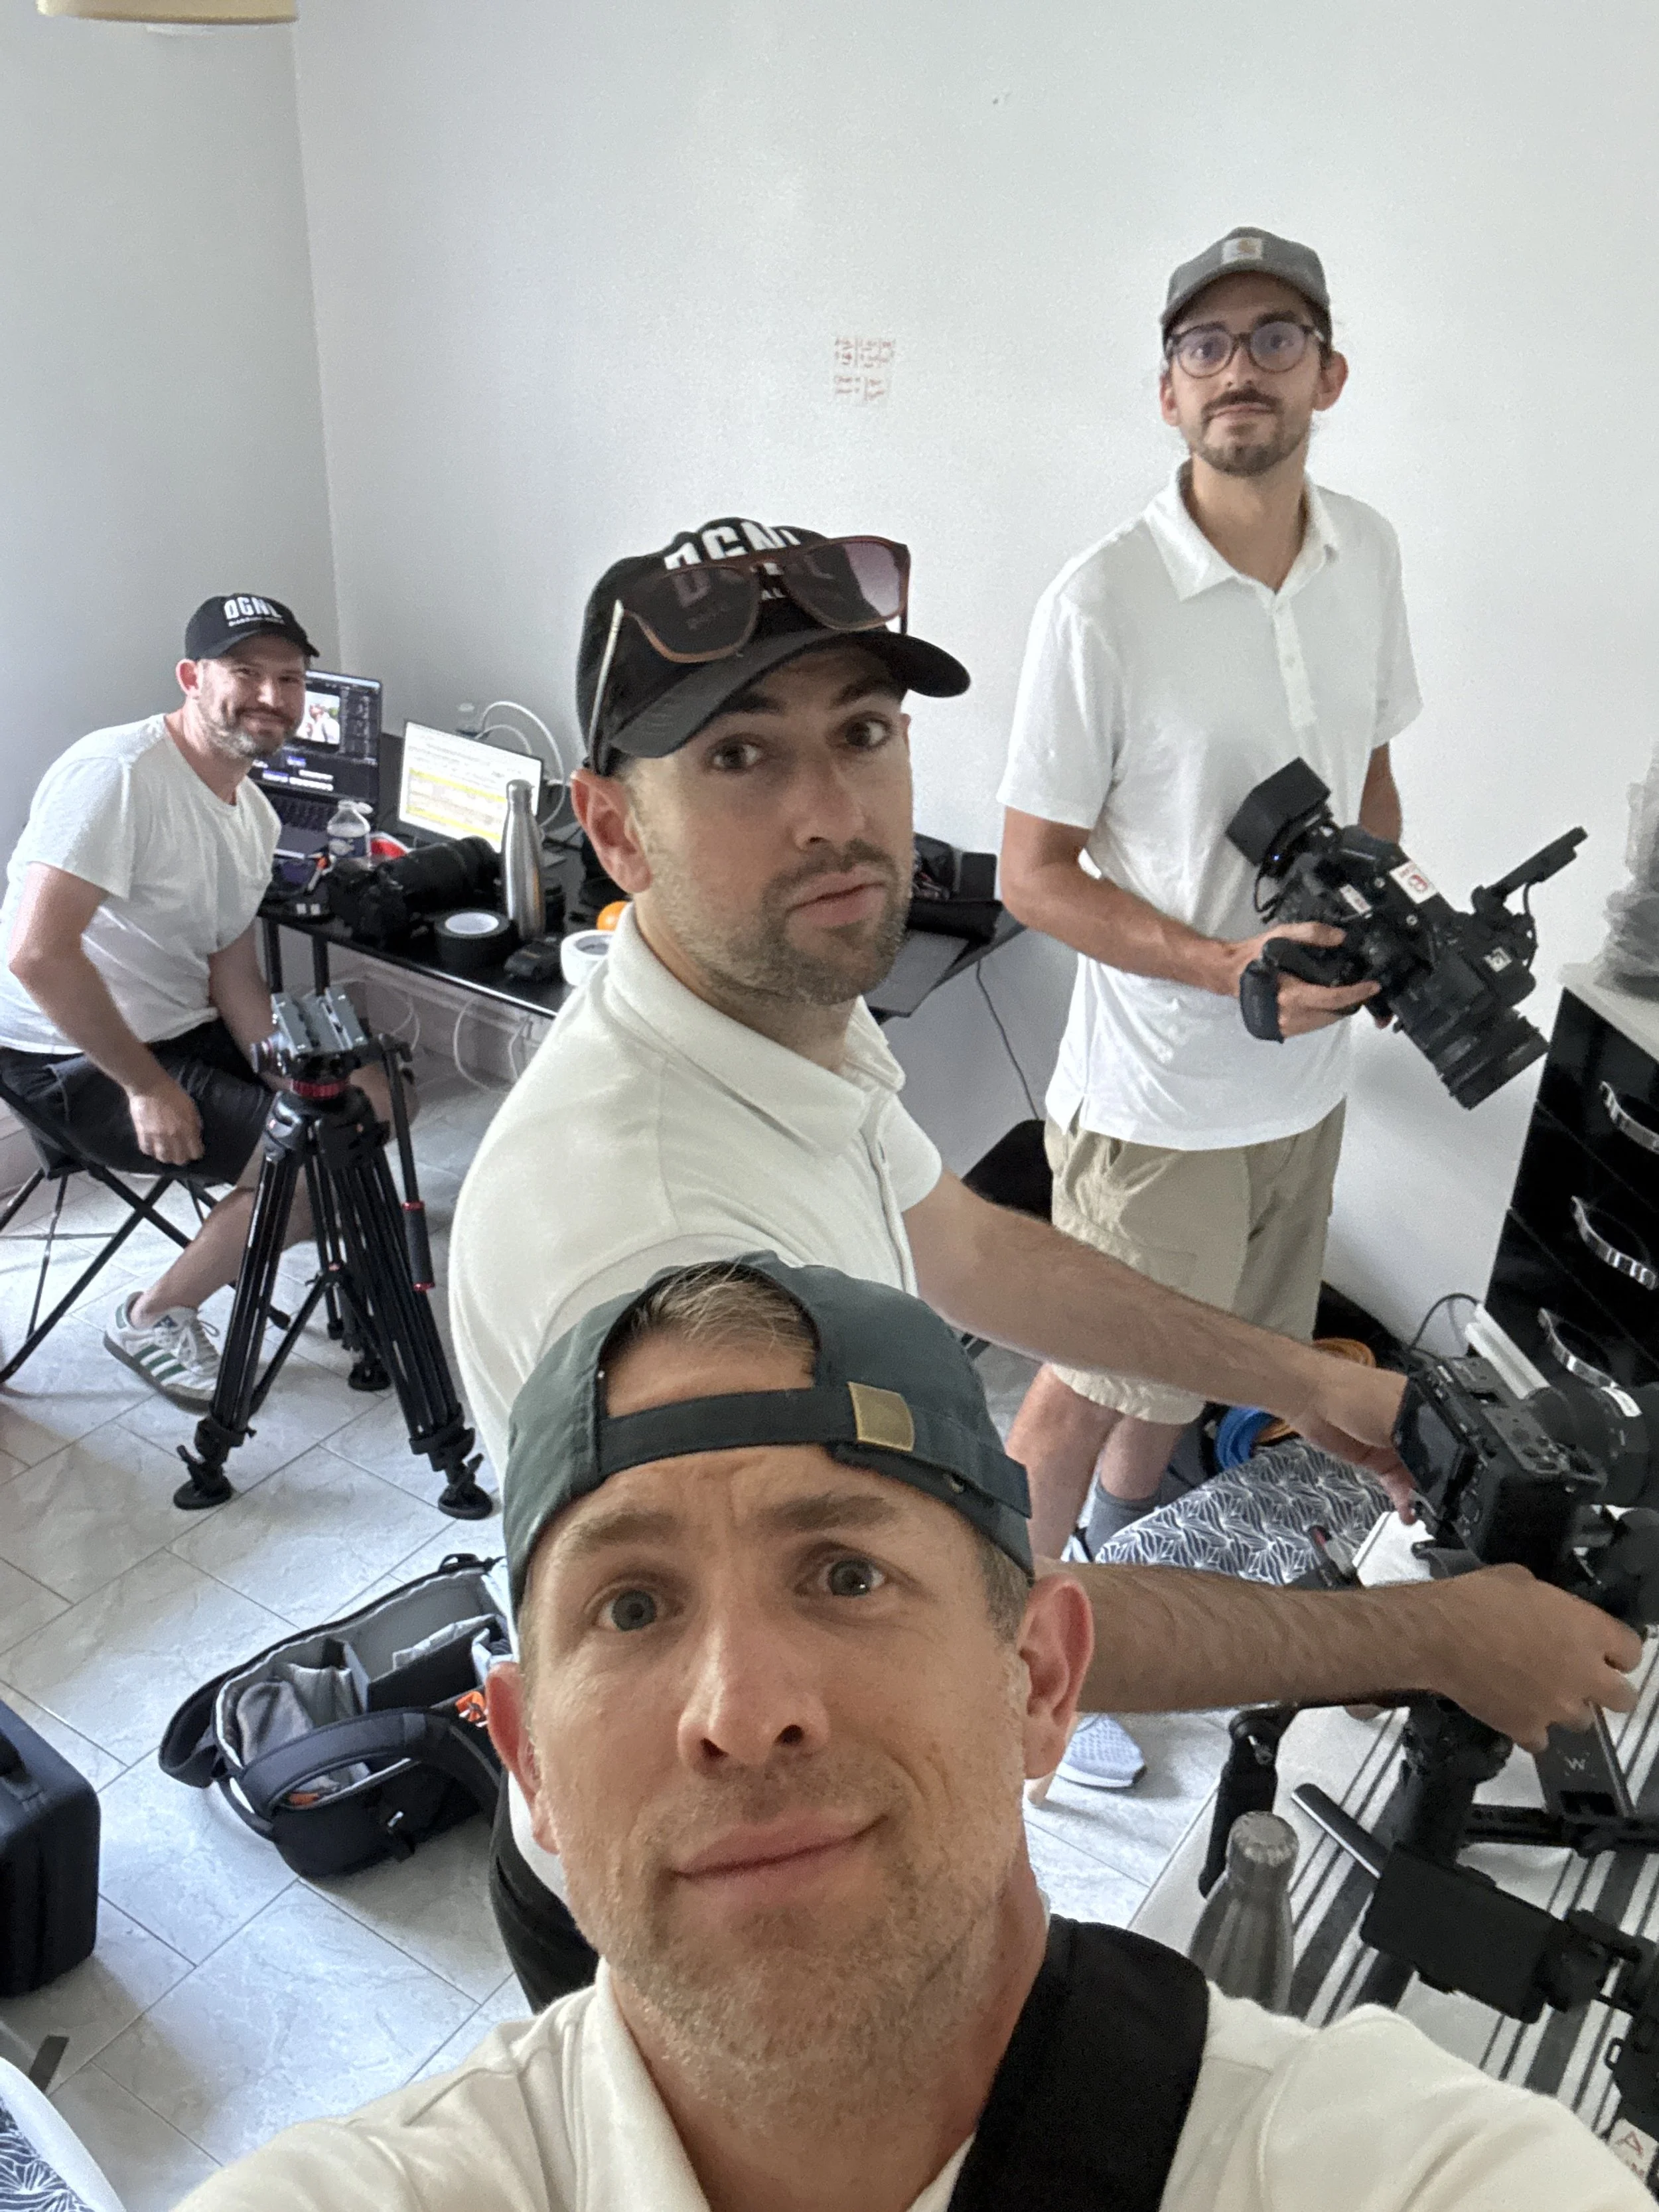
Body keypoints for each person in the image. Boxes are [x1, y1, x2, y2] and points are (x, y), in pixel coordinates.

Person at [448, 517, 1640, 2004]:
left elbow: (957, 1247)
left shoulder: (775, 1023)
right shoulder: (659, 1217)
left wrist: (1311, 1383)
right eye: (741, 757)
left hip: (829, 1805)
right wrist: (1431, 1635)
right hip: (701, 1907)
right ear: (614, 827)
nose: (833, 810)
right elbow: (966, 1625)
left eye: (863, 731)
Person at [177, 1258, 1647, 2212]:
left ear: (1040, 1677)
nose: (744, 1711)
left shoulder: (1392, 2177)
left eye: (846, 1573)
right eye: (630, 1606)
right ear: (530, 1763)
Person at [998, 226, 1418, 1558]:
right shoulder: (1100, 602)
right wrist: (1221, 968)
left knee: (1174, 1388)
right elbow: (1030, 875)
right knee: (1083, 1387)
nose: (1241, 368)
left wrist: (1385, 919)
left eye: (1275, 340)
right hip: (1157, 1105)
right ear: (1168, 392)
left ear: (1327, 376)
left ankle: (1109, 1585)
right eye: (1205, 345)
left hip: (1301, 1095)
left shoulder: (1366, 551)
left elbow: (1369, 776)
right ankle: (1007, 1655)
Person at [0, 595, 390, 1411]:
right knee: (318, 1169)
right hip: (65, 1049)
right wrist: (148, 1087)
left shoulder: (251, 811)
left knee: (373, 1098)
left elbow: (232, 968)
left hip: (180, 1022)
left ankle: (310, 1214)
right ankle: (154, 1316)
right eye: (244, 672)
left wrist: (284, 1071)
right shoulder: (117, 775)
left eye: (288, 678)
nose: (269, 696)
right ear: (192, 677)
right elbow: (37, 955)